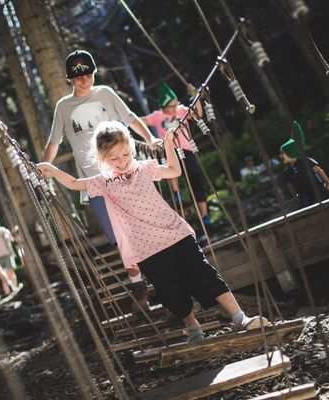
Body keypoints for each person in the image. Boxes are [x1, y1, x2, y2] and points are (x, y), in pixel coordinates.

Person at [37, 121, 267, 341]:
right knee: (170, 290)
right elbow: (76, 183)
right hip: (146, 247)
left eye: (125, 154)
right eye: (114, 158)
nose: (121, 161)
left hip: (174, 232)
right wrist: (52, 170)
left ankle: (239, 317)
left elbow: (174, 171)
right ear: (102, 159)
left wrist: (168, 145)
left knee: (204, 272)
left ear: (131, 148)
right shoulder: (103, 182)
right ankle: (192, 327)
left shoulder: (145, 168)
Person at [43, 49, 163, 312]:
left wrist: (151, 138)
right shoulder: (64, 107)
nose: (84, 80)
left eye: (88, 74)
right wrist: (45, 167)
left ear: (94, 74)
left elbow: (129, 118)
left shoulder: (106, 93)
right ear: (68, 80)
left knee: (145, 226)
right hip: (95, 182)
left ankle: (164, 283)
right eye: (78, 77)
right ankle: (139, 287)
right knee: (120, 237)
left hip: (127, 174)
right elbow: (54, 141)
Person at [141, 81, 211, 224]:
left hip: (186, 149)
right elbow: (138, 122)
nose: (173, 109)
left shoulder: (182, 110)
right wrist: (150, 138)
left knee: (195, 179)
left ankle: (204, 215)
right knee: (170, 167)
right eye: (169, 107)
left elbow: (198, 113)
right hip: (169, 150)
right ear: (163, 106)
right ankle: (176, 192)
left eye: (174, 105)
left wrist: (195, 96)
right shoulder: (157, 116)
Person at [279, 121, 329, 208]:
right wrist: (295, 195)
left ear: (291, 152)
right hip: (304, 193)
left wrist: (327, 182)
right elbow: (290, 185)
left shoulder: (306, 161)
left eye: (283, 153)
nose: (281, 156)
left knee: (325, 200)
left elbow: (318, 170)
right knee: (307, 205)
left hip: (317, 187)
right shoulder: (288, 171)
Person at [0, 216, 19, 288]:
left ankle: (15, 287)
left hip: (7, 254)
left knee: (11, 272)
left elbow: (12, 239)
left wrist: (10, 235)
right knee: (3, 276)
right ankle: (9, 292)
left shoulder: (3, 230)